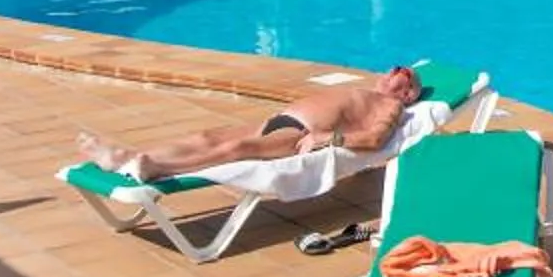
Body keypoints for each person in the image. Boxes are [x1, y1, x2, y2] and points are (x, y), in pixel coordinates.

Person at [76, 66, 423, 183]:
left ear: (407, 94)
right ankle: (126, 157)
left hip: (298, 134)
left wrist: (326, 138)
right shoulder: (363, 87)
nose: (395, 72)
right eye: (397, 67)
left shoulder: (390, 106)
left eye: (404, 75)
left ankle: (155, 168)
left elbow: (377, 139)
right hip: (282, 120)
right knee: (205, 136)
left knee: (236, 150)